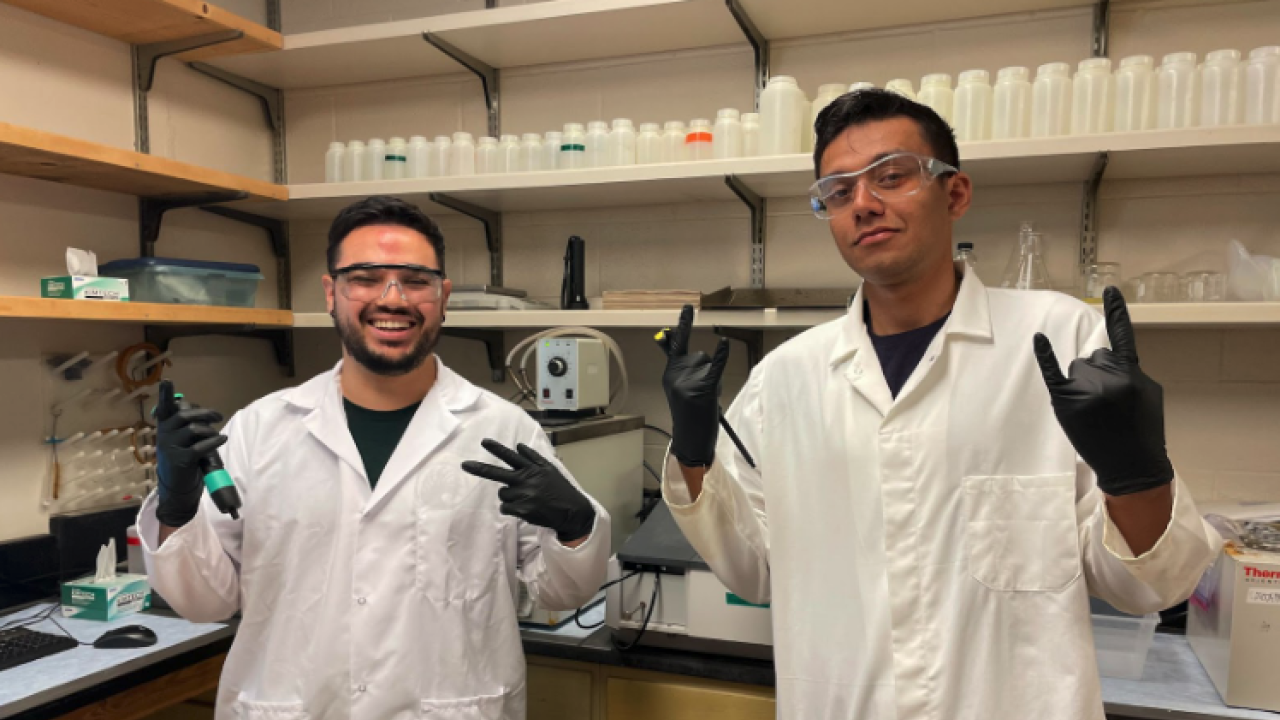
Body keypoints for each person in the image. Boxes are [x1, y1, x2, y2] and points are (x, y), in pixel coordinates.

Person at [656, 90, 1221, 720]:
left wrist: (1135, 472)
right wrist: (695, 455)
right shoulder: (787, 376)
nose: (864, 203)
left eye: (891, 177)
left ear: (954, 194)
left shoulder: (1060, 342)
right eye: (838, 192)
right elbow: (755, 572)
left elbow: (1150, 586)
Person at [137, 195, 610, 720]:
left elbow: (562, 591)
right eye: (364, 277)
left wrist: (576, 525)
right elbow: (205, 604)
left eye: (415, 280)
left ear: (443, 295)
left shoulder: (503, 428)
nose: (392, 298)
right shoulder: (260, 429)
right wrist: (177, 511)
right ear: (331, 293)